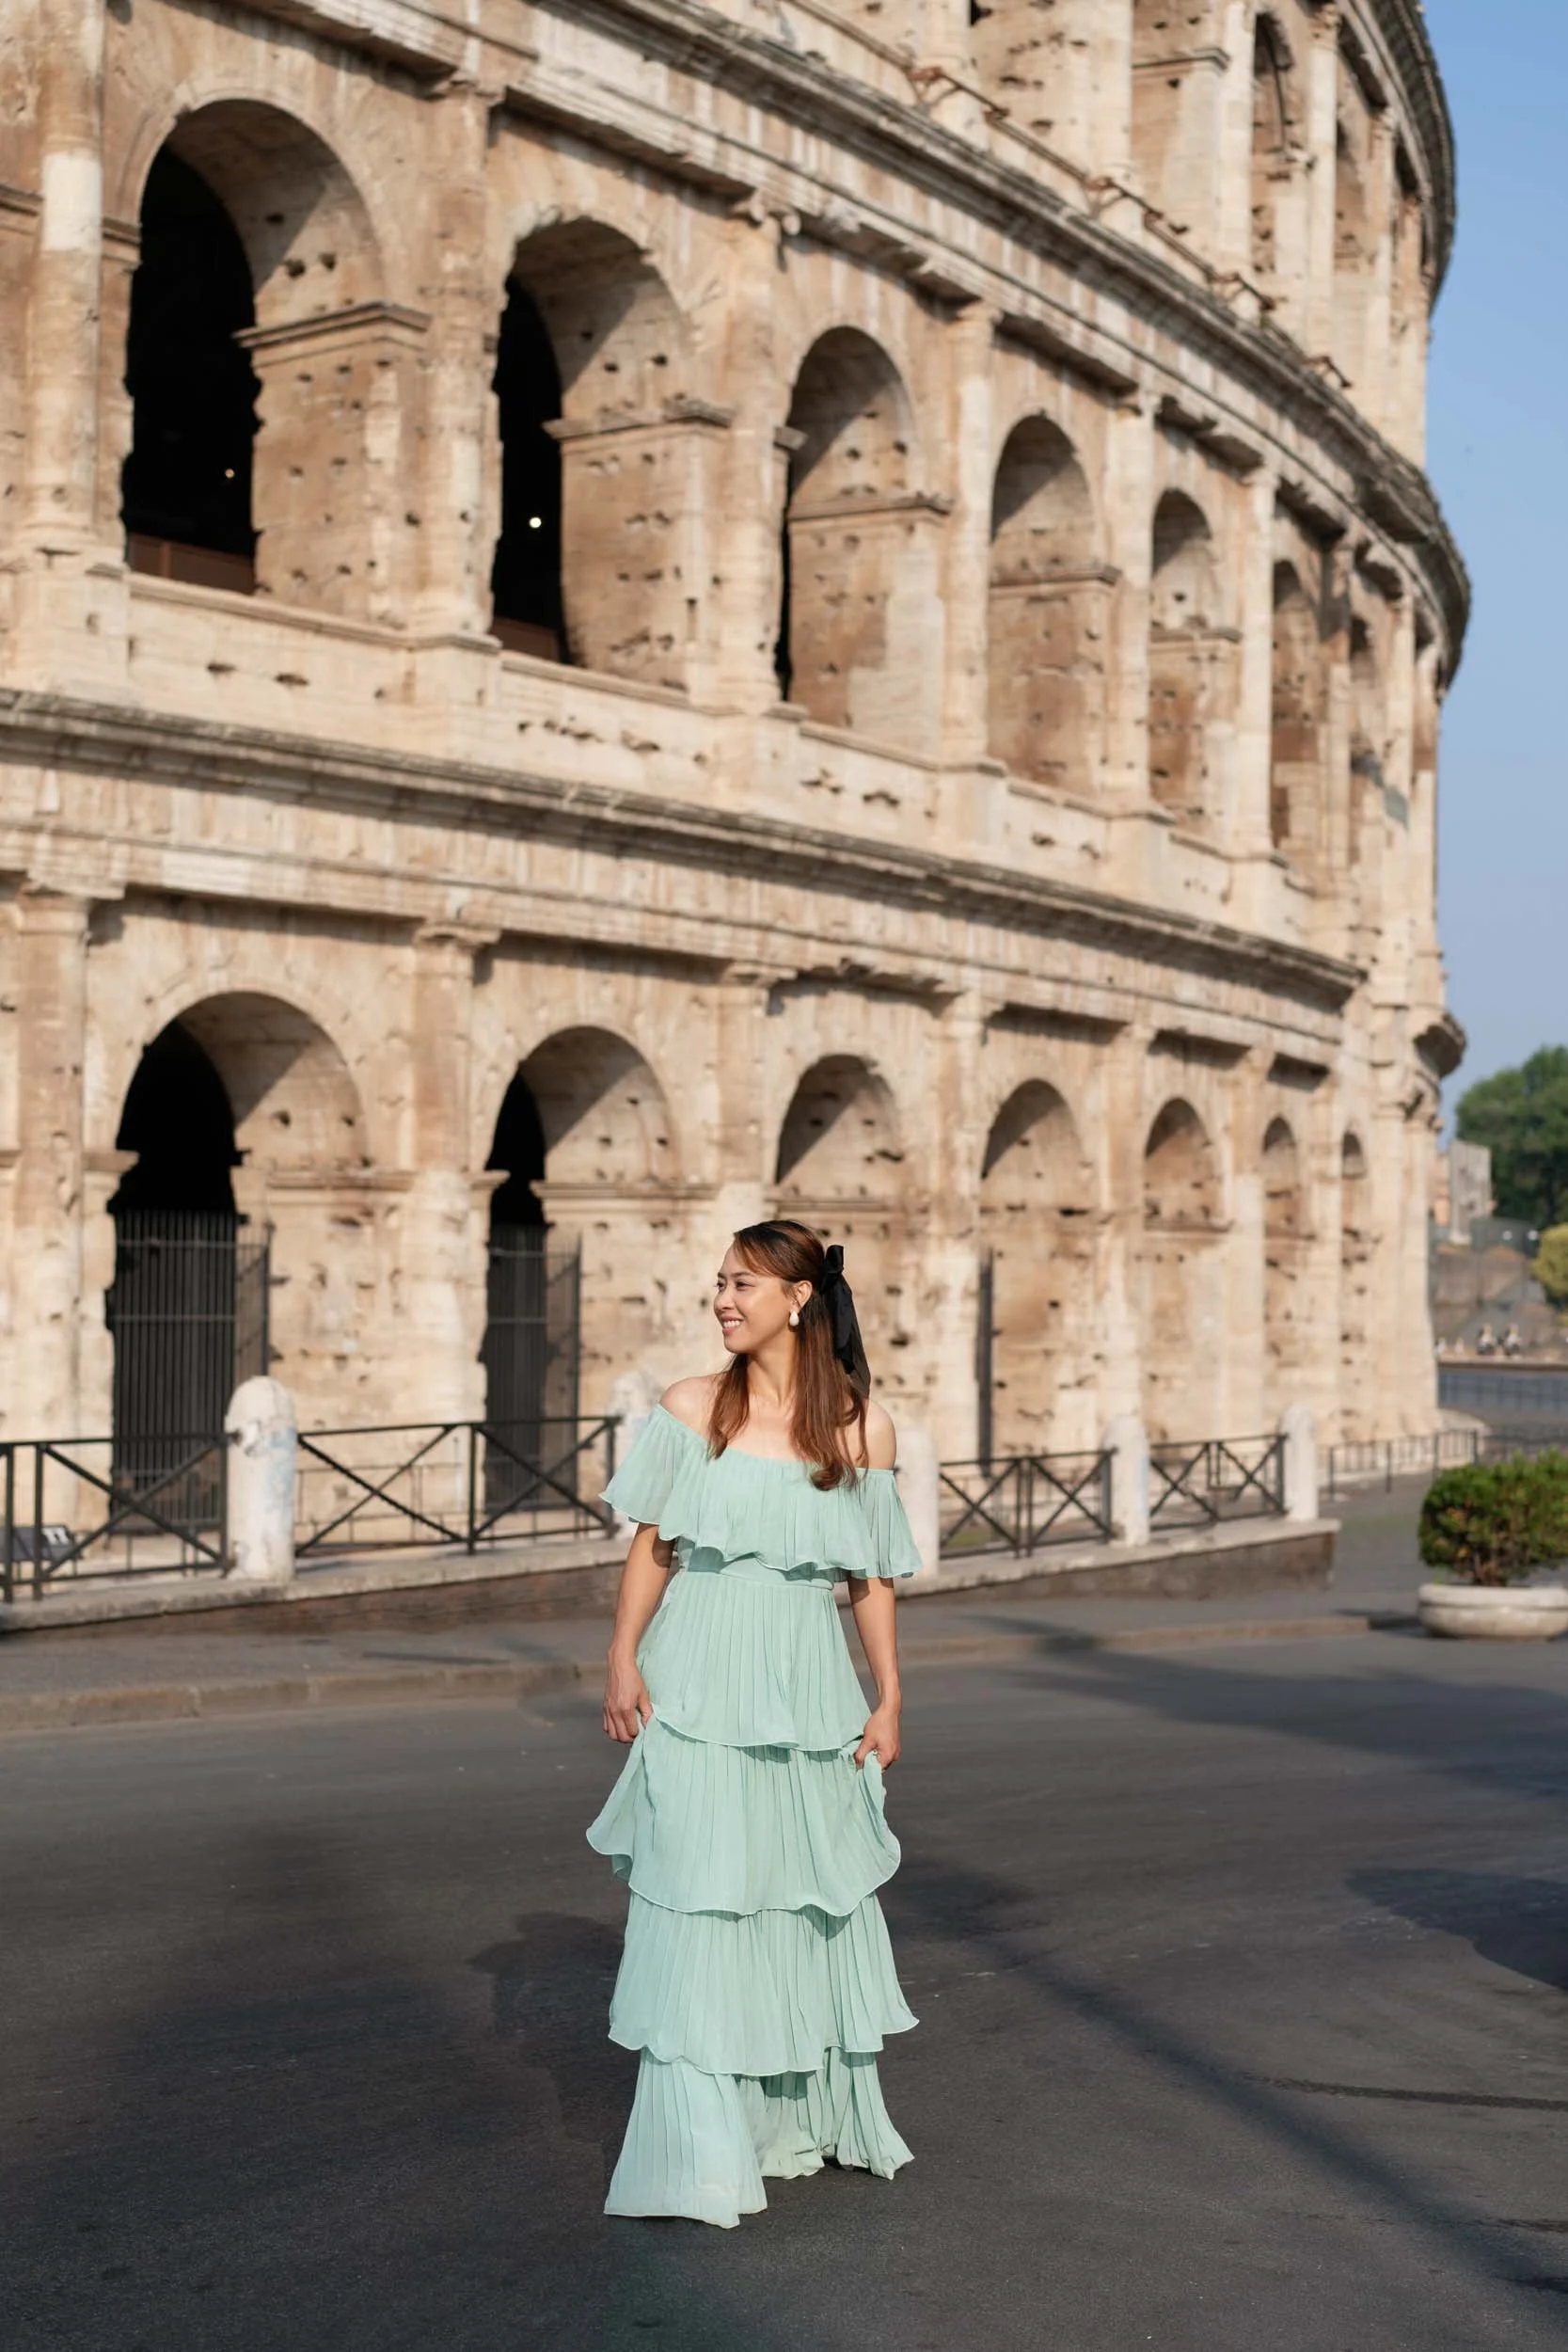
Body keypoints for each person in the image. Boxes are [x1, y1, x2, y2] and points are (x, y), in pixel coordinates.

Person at [585, 1218, 920, 2227]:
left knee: (792, 1896)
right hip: (693, 1680)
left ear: (799, 1298)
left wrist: (889, 1693)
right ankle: (697, 2149)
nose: (723, 1299)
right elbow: (652, 1546)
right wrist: (620, 1655)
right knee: (695, 1897)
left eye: (742, 1283)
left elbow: (867, 1579)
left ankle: (785, 2122)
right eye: (718, 1283)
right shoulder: (692, 1408)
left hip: (809, 1687)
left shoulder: (864, 1427)